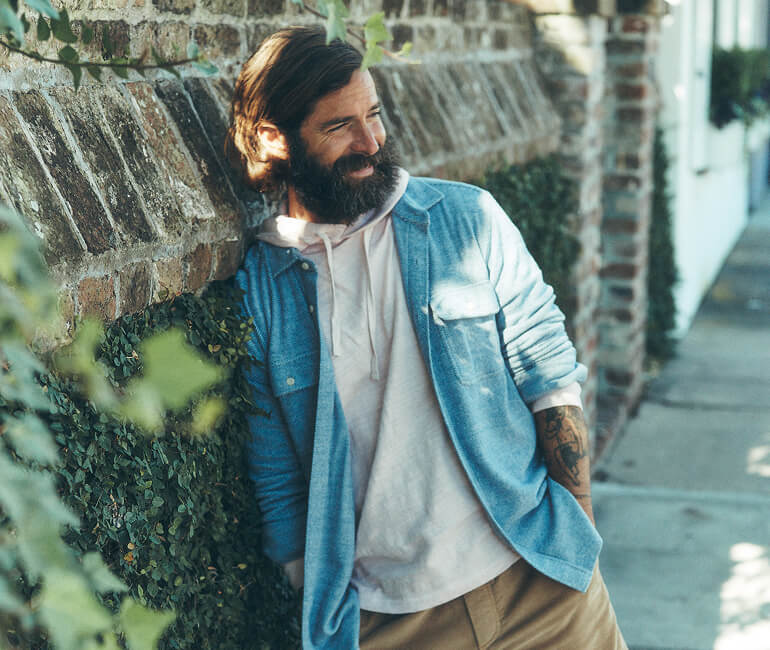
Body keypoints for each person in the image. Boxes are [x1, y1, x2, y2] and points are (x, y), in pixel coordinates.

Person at [226, 25, 627, 650]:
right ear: (274, 140)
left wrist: (575, 537)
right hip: (395, 623)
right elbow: (276, 468)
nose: (371, 140)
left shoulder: (467, 219)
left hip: (539, 586)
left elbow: (549, 379)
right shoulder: (264, 290)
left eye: (374, 115)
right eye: (339, 126)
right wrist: (319, 591)